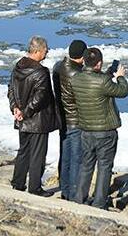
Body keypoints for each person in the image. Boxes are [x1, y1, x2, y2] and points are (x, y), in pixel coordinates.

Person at [71, 47, 128, 209]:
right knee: (104, 166)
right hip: (105, 131)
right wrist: (120, 77)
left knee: (86, 164)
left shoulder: (76, 79)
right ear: (99, 63)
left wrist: (109, 74)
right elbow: (122, 91)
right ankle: (99, 203)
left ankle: (80, 198)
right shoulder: (103, 82)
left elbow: (96, 82)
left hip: (86, 130)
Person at [7, 36, 58, 197]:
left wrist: (15, 108)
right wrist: (25, 111)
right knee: (37, 154)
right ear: (36, 51)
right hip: (37, 120)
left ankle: (18, 182)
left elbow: (11, 90)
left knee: (24, 151)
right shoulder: (41, 72)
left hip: (22, 118)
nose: (47, 51)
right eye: (45, 49)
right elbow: (40, 97)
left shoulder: (18, 67)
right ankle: (35, 188)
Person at [52, 39, 87, 200]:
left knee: (65, 156)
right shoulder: (77, 74)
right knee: (76, 158)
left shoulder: (58, 67)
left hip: (62, 118)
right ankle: (73, 194)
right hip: (75, 119)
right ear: (82, 56)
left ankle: (65, 189)